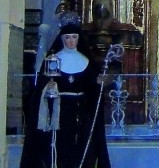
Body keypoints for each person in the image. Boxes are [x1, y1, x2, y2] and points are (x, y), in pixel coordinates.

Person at [20, 23, 112, 168]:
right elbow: (40, 88)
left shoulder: (86, 62)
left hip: (79, 112)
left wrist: (97, 82)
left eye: (74, 37)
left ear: (78, 39)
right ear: (62, 39)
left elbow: (91, 90)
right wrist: (48, 87)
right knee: (58, 146)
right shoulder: (53, 60)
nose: (70, 41)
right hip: (58, 111)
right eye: (67, 38)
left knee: (82, 145)